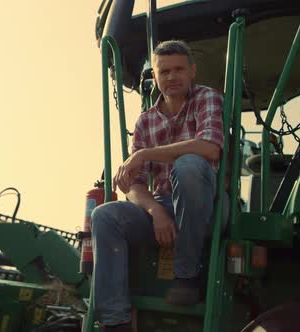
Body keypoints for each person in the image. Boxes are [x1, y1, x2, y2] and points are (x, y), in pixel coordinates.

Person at [91, 40, 224, 331]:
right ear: (156, 77)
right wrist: (155, 211)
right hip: (163, 205)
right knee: (104, 215)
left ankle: (187, 275)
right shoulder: (145, 122)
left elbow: (210, 148)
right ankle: (115, 322)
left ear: (192, 71)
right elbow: (132, 184)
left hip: (206, 204)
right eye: (164, 71)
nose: (172, 77)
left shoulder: (207, 98)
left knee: (188, 165)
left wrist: (144, 154)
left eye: (179, 69)